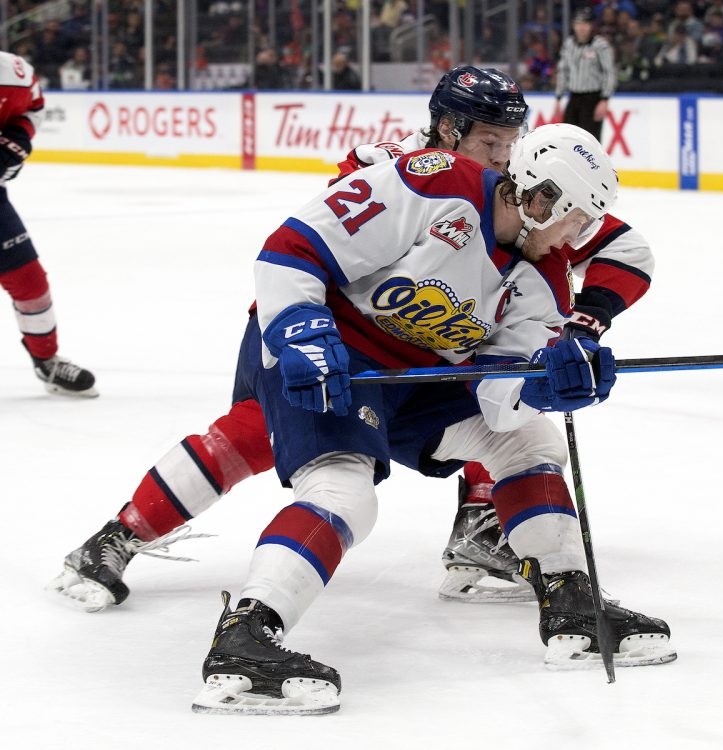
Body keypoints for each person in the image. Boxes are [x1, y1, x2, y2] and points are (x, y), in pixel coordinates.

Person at [48, 66, 654, 609]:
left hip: (429, 354)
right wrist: (304, 335)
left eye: (510, 141)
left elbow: (625, 248)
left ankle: (481, 527)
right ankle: (122, 535)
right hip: (336, 343)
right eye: (488, 141)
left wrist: (575, 331)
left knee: (508, 416)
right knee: (252, 435)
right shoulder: (401, 172)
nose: (502, 156)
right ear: (447, 130)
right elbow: (302, 252)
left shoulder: (530, 199)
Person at [187, 124, 674, 714]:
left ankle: (570, 599)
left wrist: (548, 383)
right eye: (578, 219)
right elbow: (292, 248)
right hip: (327, 360)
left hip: (420, 381)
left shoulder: (542, 279)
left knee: (528, 441)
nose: (580, 237)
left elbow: (499, 398)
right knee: (345, 492)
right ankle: (245, 636)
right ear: (543, 199)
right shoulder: (430, 183)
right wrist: (299, 328)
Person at [0, 50, 96, 397]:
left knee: (31, 284)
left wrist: (15, 143)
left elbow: (31, 108)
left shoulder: (15, 73)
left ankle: (47, 361)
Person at [555, 9, 616, 142]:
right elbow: (563, 70)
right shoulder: (569, 44)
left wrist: (604, 99)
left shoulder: (600, 45)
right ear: (573, 25)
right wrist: (558, 97)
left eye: (585, 24)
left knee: (590, 140)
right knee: (568, 138)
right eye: (578, 24)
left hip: (593, 98)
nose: (581, 28)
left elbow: (609, 72)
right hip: (574, 97)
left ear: (591, 26)